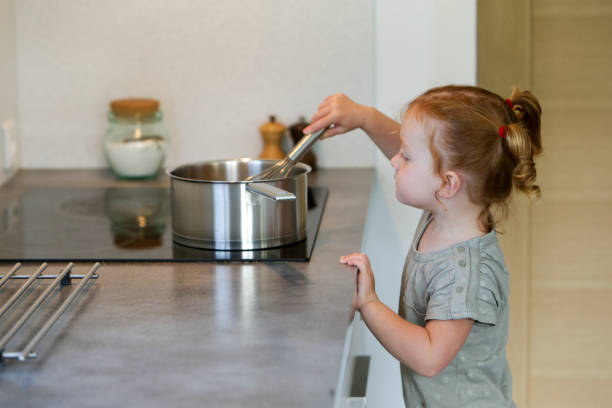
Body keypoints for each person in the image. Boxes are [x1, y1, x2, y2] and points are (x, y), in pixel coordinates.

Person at [304, 85, 542, 408]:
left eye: (406, 155)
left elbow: (430, 355)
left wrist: (370, 304)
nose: (395, 161)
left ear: (447, 184)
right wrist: (363, 117)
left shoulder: (465, 275)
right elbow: (416, 161)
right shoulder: (445, 211)